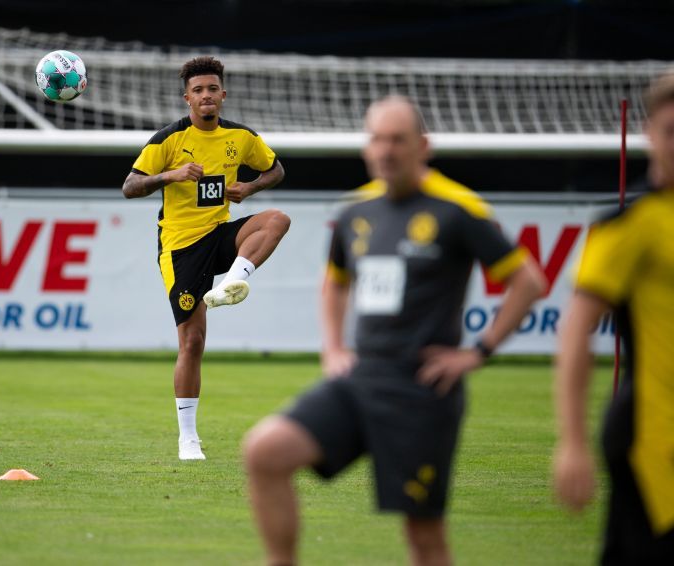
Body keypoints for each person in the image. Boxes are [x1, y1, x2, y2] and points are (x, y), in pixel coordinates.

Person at [243, 95, 547, 565]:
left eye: (397, 140)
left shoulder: (457, 209)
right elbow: (334, 283)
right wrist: (334, 347)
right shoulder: (355, 211)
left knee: (424, 539)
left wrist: (478, 352)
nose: (386, 150)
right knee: (264, 452)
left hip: (422, 393)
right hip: (362, 380)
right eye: (377, 139)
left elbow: (528, 283)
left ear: (423, 146)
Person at [122, 56, 289, 461]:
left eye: (212, 89)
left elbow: (277, 170)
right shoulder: (168, 140)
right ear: (187, 99)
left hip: (219, 234)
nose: (206, 96)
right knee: (193, 342)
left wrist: (249, 189)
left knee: (277, 219)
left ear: (223, 95)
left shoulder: (241, 136)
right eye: (198, 90)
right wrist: (170, 176)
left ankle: (235, 278)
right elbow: (129, 186)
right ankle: (188, 438)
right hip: (181, 248)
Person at [554, 73, 674, 563]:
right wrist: (573, 443)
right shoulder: (628, 224)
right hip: (653, 439)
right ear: (649, 134)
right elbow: (576, 329)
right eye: (671, 131)